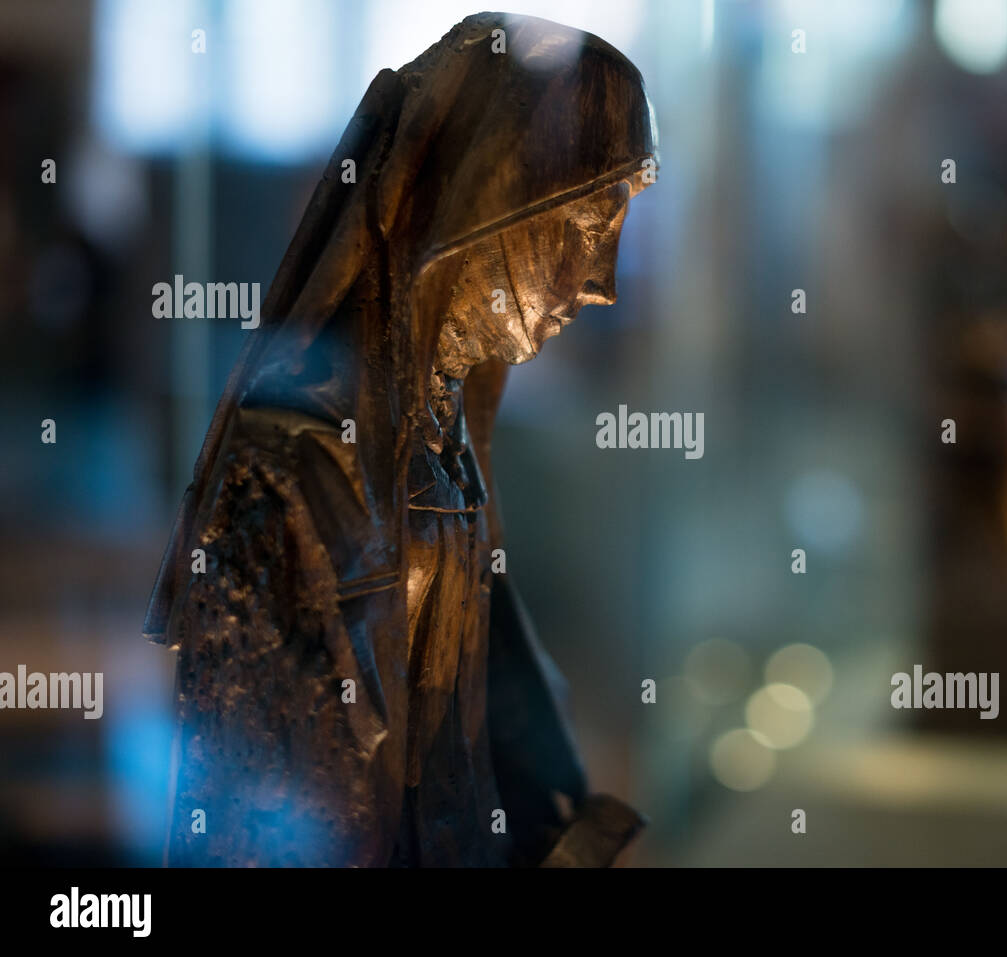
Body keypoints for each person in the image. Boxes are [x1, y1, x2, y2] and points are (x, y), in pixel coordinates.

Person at [143, 12, 658, 867]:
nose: (600, 280)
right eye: (584, 223)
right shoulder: (293, 465)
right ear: (490, 203)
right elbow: (261, 823)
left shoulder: (445, 427)